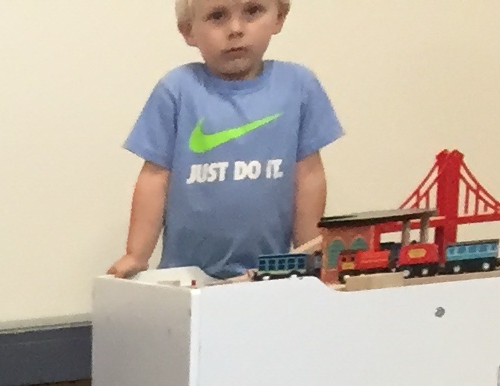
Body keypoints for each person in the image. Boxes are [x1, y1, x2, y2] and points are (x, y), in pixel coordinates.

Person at [108, 0, 342, 281]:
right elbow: (154, 178)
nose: (235, 29)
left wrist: (309, 255)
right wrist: (136, 254)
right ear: (188, 30)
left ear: (279, 17)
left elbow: (309, 175)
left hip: (269, 275)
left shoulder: (299, 86)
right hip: (186, 275)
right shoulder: (177, 90)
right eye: (217, 16)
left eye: (252, 11)